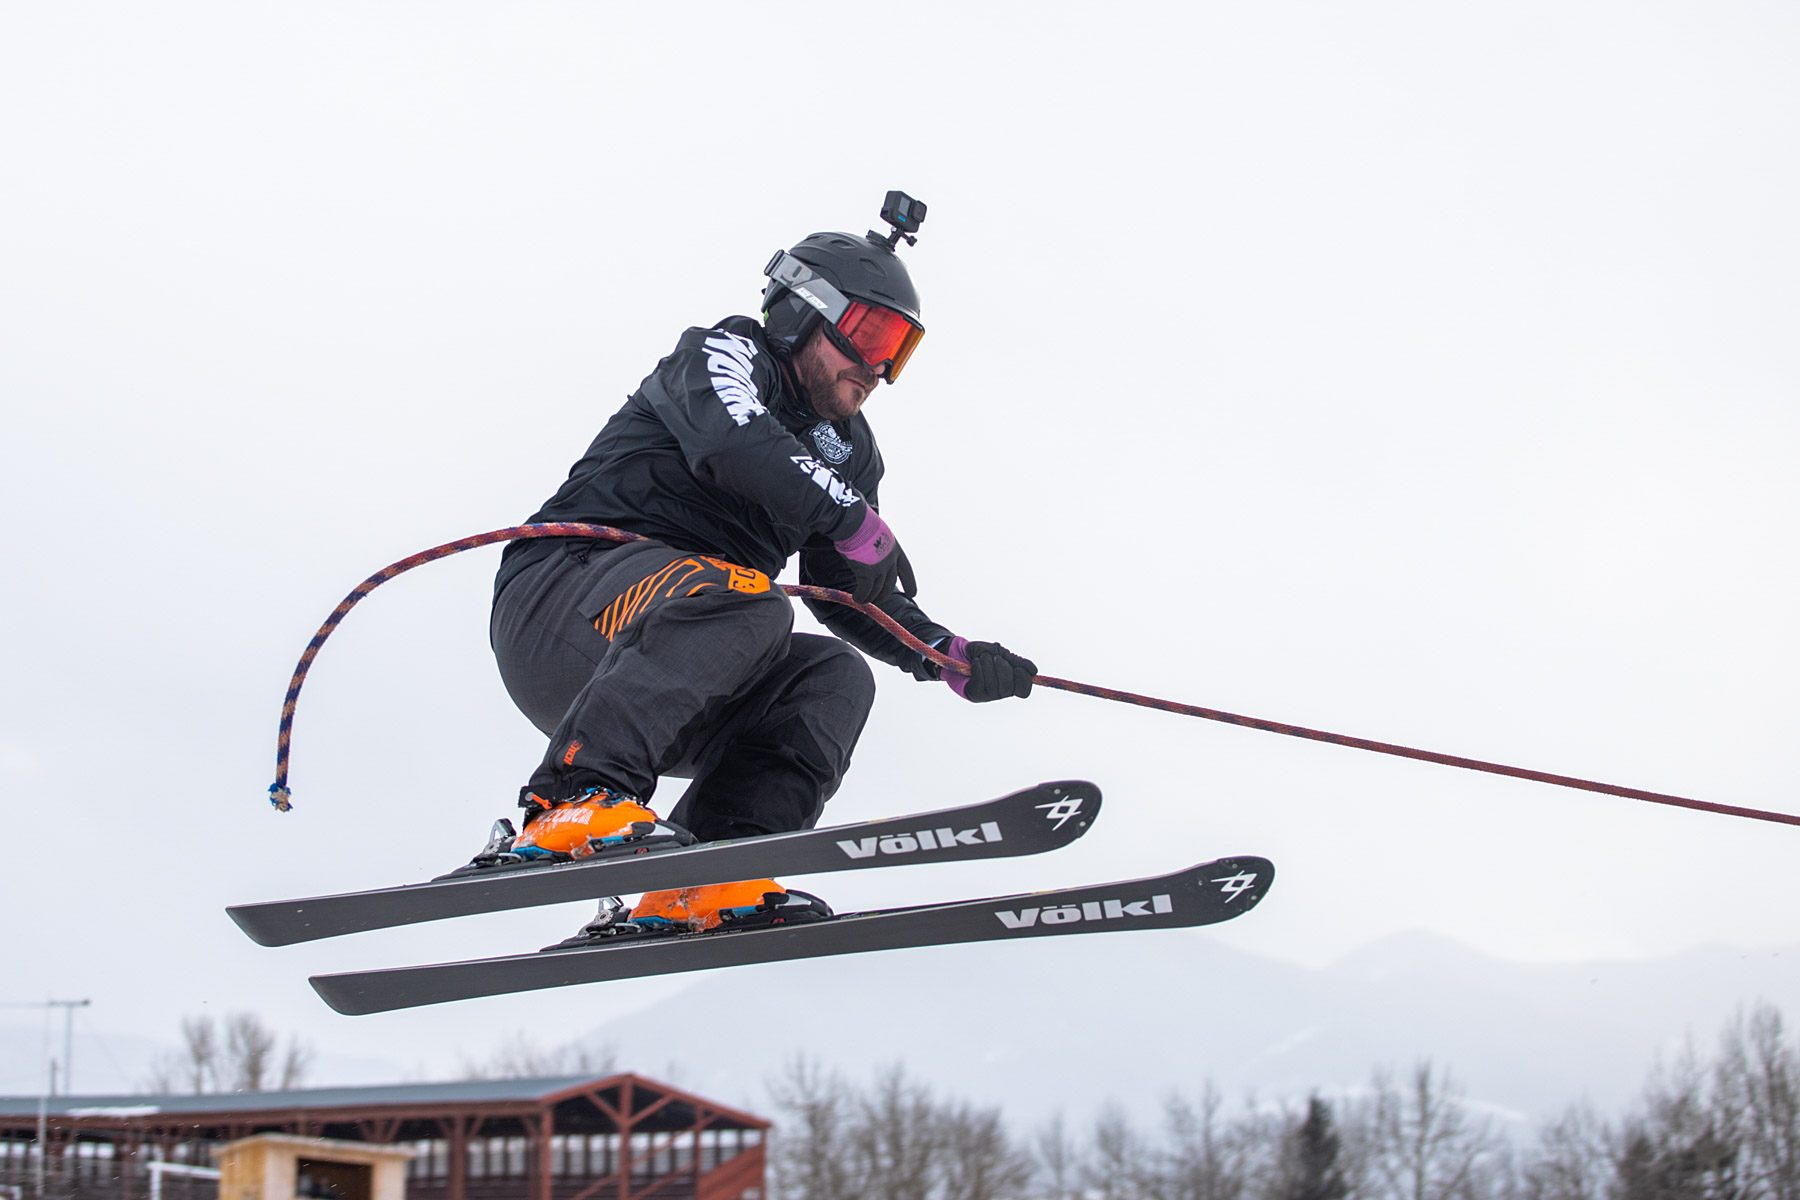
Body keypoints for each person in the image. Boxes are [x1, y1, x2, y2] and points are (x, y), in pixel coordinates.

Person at [475, 193, 1038, 940]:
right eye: (868, 335)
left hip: (681, 666)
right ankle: (574, 799)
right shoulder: (725, 353)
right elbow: (731, 442)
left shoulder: (850, 451)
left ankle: (705, 878)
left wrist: (941, 654)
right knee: (751, 601)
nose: (876, 367)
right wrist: (848, 515)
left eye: (896, 351)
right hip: (566, 604)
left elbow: (843, 590)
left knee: (831, 675)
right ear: (800, 311)